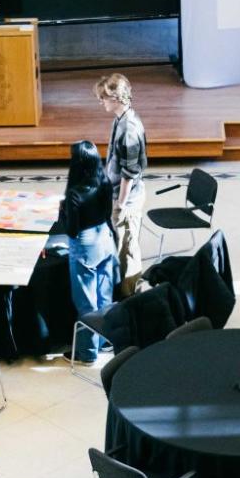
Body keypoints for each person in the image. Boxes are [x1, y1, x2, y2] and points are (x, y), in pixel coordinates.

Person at [58, 139, 118, 362]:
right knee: (104, 296)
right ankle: (105, 341)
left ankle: (87, 353)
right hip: (105, 240)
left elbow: (72, 230)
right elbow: (107, 214)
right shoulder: (105, 182)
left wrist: (63, 212)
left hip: (85, 246)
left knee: (86, 302)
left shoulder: (75, 193)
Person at [96, 73, 149, 292]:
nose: (101, 102)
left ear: (116, 97)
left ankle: (130, 296)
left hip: (127, 198)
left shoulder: (129, 129)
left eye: (103, 98)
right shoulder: (120, 119)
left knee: (127, 250)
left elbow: (129, 173)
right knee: (120, 245)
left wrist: (120, 205)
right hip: (119, 193)